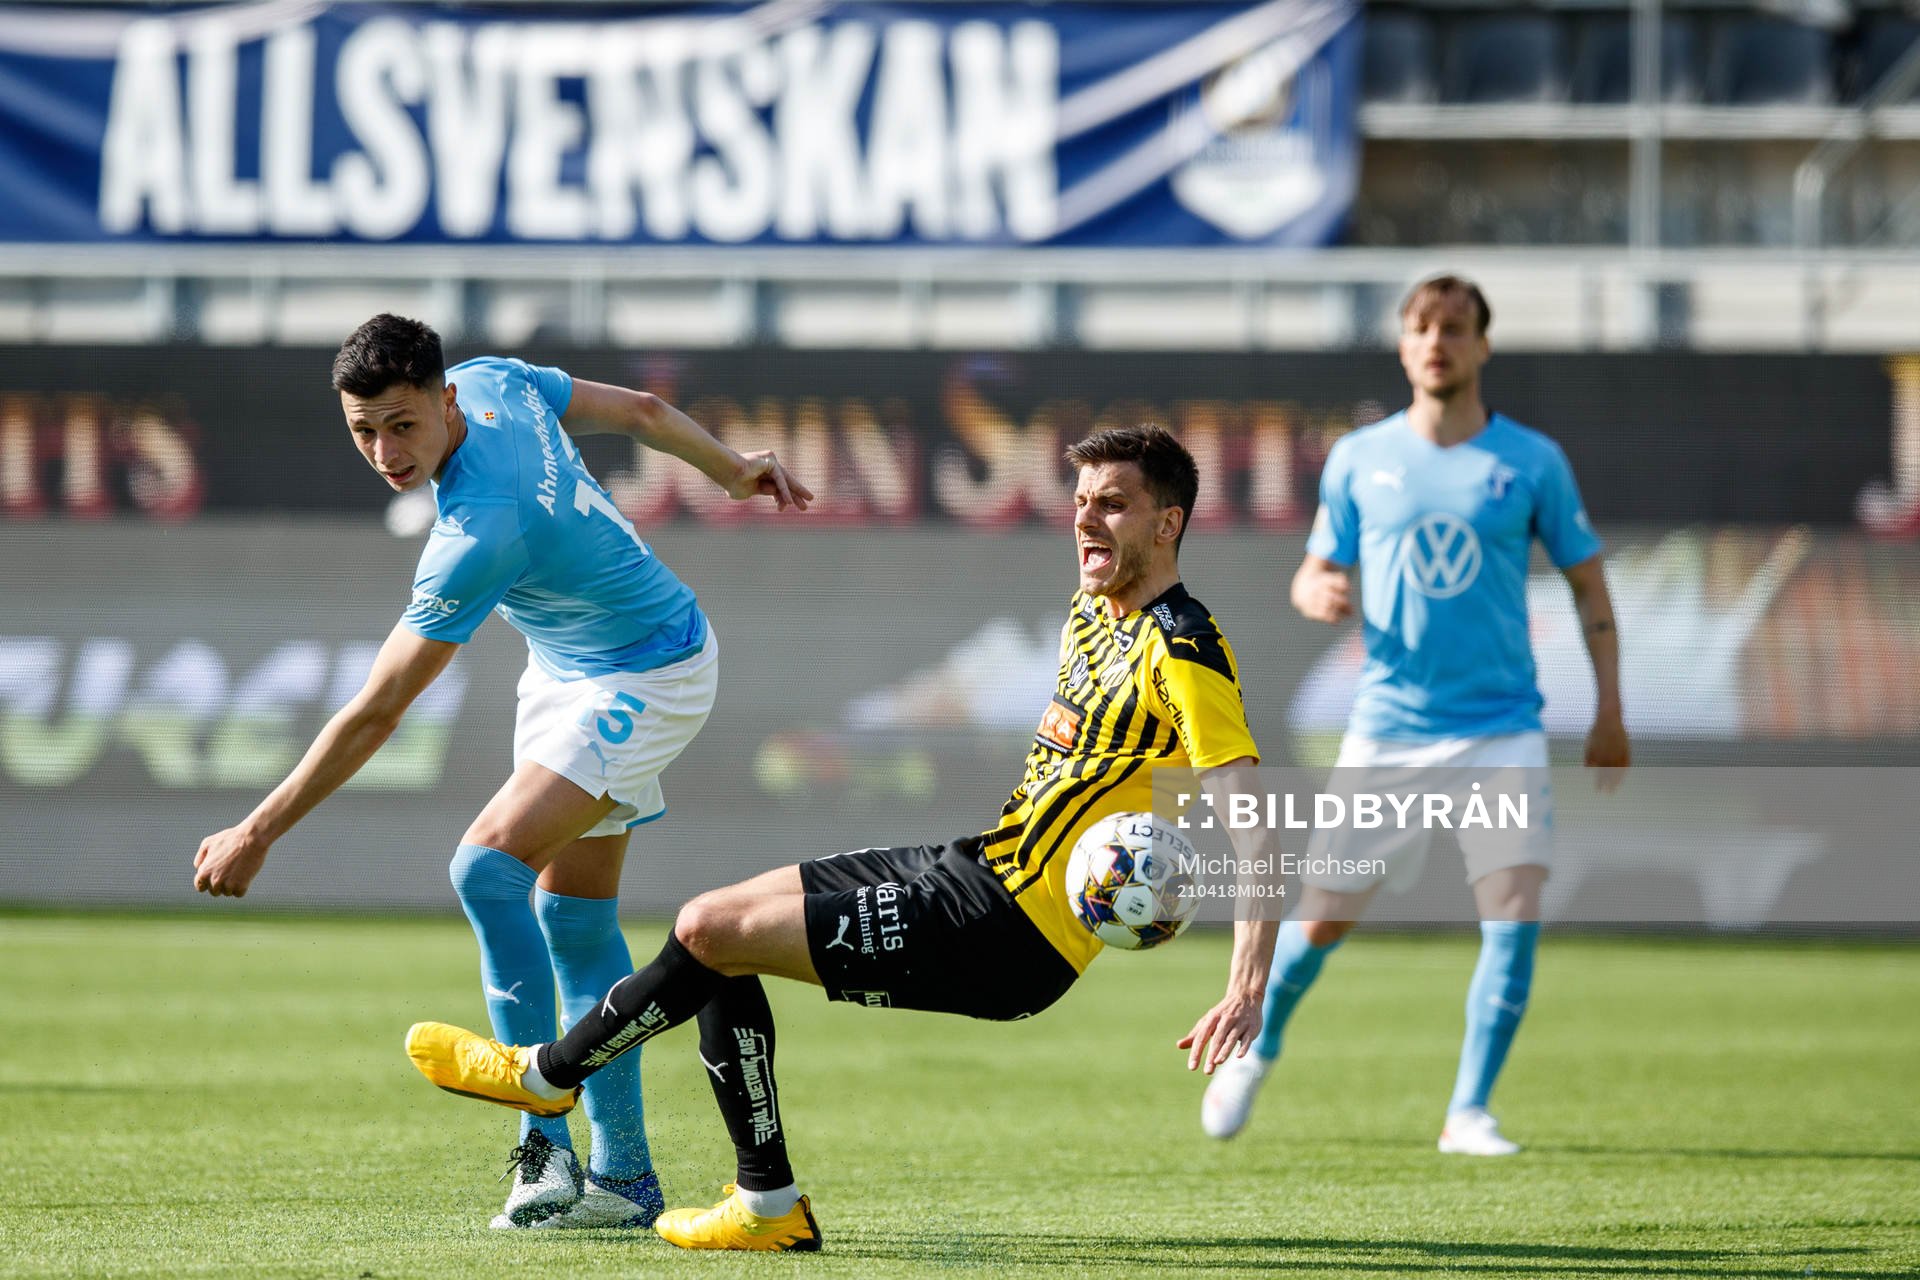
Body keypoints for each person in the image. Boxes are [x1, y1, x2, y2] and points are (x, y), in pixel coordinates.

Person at [404, 424, 1282, 1252]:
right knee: (712, 920)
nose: (1086, 516)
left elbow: (1254, 821)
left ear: (1168, 524)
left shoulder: (1186, 650)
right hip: (980, 866)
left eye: (1114, 503)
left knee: (712, 936)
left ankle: (548, 1075)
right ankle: (766, 1208)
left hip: (1015, 935)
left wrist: (1245, 988)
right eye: (1082, 499)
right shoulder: (1094, 612)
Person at [190, 314, 810, 1228]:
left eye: (403, 425)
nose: (385, 452)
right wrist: (728, 467)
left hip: (648, 670)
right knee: (570, 916)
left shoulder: (480, 531)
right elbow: (636, 409)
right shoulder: (490, 379)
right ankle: (627, 1180)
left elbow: (377, 712)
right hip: (569, 668)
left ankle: (541, 1136)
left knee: (484, 867)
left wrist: (258, 830)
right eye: (363, 430)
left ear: (444, 403)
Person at [1200, 275, 1629, 1155]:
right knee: (1321, 919)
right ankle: (1257, 1046)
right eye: (1423, 328)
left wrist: (1610, 707)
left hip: (1502, 722)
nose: (1438, 342)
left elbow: (1588, 583)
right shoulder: (1361, 457)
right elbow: (1314, 568)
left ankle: (1468, 1111)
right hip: (1390, 723)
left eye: (1456, 328)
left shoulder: (1532, 461)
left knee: (1513, 910)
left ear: (1482, 346)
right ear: (1403, 346)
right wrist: (1315, 585)